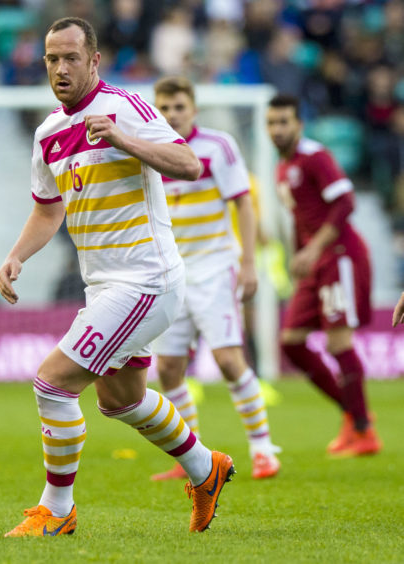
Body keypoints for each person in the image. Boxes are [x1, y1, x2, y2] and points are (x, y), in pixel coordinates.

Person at [0, 17, 235, 538]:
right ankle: (205, 469)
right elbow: (46, 211)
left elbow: (189, 163)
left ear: (94, 60)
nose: (60, 68)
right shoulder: (48, 135)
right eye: (52, 59)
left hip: (147, 279)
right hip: (105, 284)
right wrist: (17, 256)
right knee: (120, 399)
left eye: (71, 58)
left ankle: (57, 510)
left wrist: (125, 140)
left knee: (52, 384)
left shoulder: (124, 108)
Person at [149, 76, 281, 482]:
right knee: (170, 367)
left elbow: (243, 201)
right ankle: (191, 456)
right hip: (171, 271)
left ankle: (262, 448)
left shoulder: (217, 146)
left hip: (214, 266)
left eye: (179, 107)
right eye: (165, 108)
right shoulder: (151, 151)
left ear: (194, 109)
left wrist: (247, 262)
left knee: (227, 359)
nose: (172, 115)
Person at [266, 93, 381, 457]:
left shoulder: (315, 156)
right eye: (272, 122)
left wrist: (314, 249)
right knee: (291, 341)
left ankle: (364, 431)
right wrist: (301, 254)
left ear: (299, 124)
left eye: (284, 121)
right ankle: (353, 411)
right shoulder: (281, 167)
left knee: (338, 342)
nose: (277, 129)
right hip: (315, 261)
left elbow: (345, 203)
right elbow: (303, 219)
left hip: (340, 255)